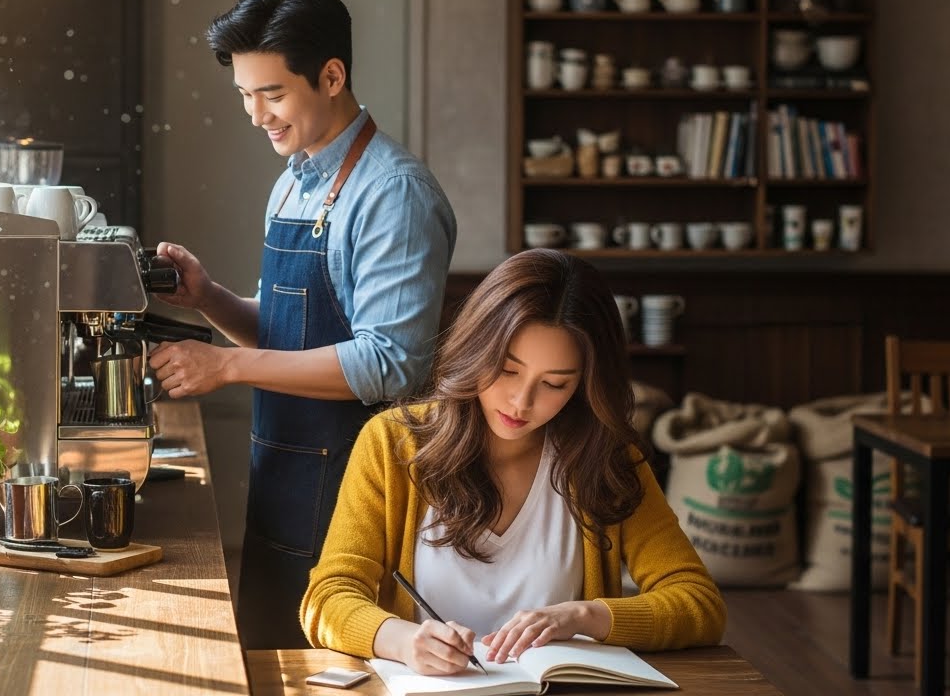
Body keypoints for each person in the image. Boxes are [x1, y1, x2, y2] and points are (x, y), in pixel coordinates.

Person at [148, 0, 457, 649]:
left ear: (332, 75)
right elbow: (289, 335)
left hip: (359, 487)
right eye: (243, 96)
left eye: (273, 93)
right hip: (284, 476)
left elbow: (387, 364)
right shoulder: (294, 179)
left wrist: (225, 365)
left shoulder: (392, 195)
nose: (257, 116)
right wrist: (209, 298)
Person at [301, 249, 725, 673]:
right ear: (475, 349)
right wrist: (403, 641)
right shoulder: (394, 443)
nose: (522, 403)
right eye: (507, 370)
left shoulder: (607, 459)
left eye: (555, 384)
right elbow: (329, 598)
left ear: (584, 385)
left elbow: (698, 602)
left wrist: (585, 616)